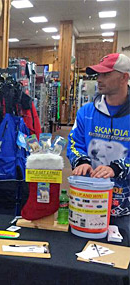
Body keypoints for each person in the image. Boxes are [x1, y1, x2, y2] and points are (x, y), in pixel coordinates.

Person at [67, 53, 130, 221]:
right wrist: (81, 161)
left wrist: (117, 168)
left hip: (125, 208)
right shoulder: (86, 112)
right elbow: (74, 142)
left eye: (106, 74)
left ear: (124, 77)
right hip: (87, 200)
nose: (99, 79)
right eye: (99, 74)